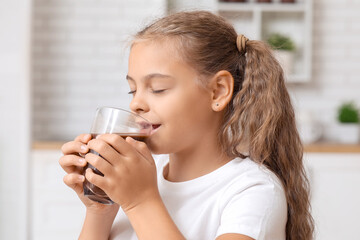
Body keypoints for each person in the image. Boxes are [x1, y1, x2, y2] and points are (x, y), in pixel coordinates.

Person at [59, 10, 314, 240]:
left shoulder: (253, 191)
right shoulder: (143, 174)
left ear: (218, 91)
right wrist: (101, 208)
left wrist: (141, 201)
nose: (136, 103)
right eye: (132, 90)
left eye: (158, 89)